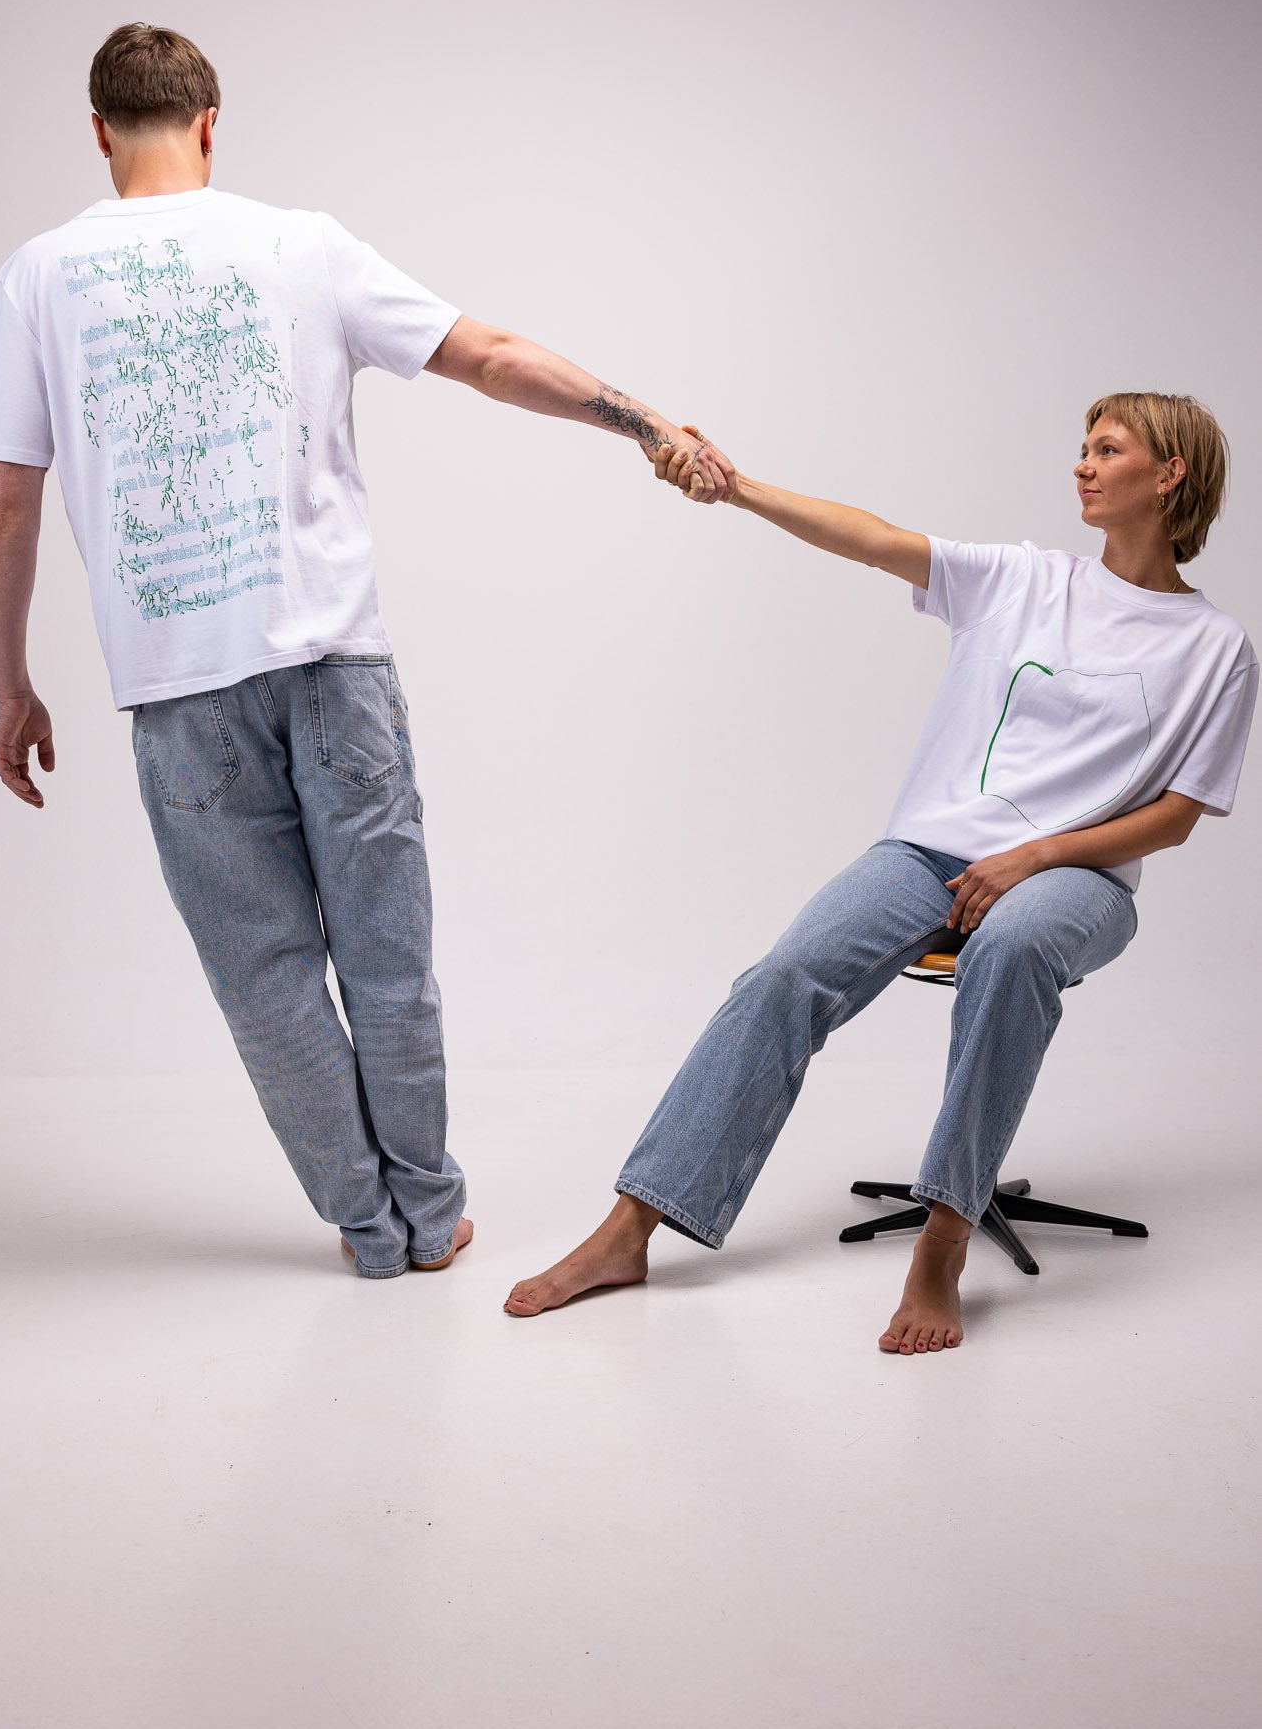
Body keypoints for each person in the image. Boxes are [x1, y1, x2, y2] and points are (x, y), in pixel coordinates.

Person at [0, 22, 735, 1281]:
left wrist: (11, 685)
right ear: (210, 123)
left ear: (99, 130)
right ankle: (428, 1214)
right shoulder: (301, 246)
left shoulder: (35, 278)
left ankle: (368, 1230)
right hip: (334, 668)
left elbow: (5, 508)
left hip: (178, 691)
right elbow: (490, 357)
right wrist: (643, 420)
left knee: (265, 977)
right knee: (387, 956)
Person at [506, 393, 1257, 1348]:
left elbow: (1177, 817)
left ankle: (942, 1244)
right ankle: (630, 1229)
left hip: (1079, 878)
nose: (1081, 464)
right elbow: (872, 539)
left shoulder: (1215, 649)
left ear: (1169, 473)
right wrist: (736, 488)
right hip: (930, 852)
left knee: (1013, 947)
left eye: (1106, 450)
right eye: (1082, 447)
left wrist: (1034, 855)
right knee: (783, 978)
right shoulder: (1025, 581)